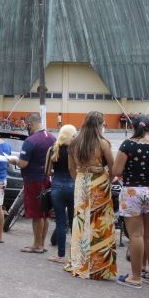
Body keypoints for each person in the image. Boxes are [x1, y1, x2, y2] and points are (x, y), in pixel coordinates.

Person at [113, 114, 149, 287]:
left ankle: (135, 277)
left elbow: (116, 170)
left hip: (132, 192)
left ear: (133, 127)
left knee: (136, 235)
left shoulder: (128, 145)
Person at [65, 112, 116, 278]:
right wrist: (106, 178)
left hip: (80, 182)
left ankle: (79, 261)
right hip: (99, 182)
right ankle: (98, 266)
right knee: (99, 224)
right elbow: (114, 169)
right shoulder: (103, 143)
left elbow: (71, 169)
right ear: (100, 125)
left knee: (80, 222)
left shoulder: (74, 143)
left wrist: (81, 179)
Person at [14, 113, 56, 253]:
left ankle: (36, 245)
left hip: (33, 181)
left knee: (37, 214)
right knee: (45, 213)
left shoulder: (30, 141)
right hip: (48, 179)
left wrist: (14, 161)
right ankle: (41, 244)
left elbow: (23, 163)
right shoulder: (52, 138)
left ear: (30, 124)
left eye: (27, 125)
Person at [47, 124, 76, 263]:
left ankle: (60, 255)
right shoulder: (75, 150)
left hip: (57, 187)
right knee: (74, 222)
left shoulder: (53, 149)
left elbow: (47, 172)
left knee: (60, 222)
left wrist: (56, 172)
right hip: (73, 187)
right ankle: (75, 255)